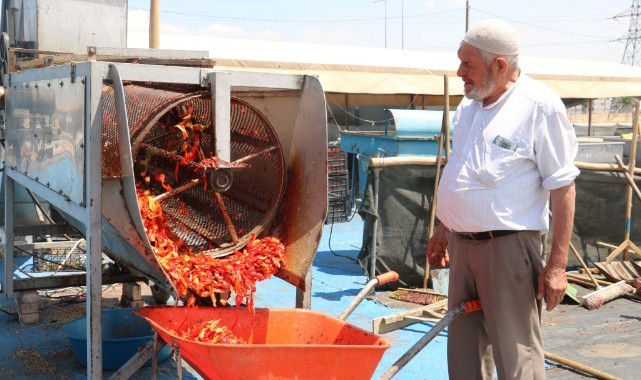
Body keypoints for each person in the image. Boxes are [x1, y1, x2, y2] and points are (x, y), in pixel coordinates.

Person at [427, 19, 579, 380]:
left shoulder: (539, 107)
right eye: (460, 62)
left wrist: (557, 266)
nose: (460, 71)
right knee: (464, 354)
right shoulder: (469, 107)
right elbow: (461, 171)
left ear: (499, 65)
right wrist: (443, 229)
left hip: (509, 248)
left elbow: (563, 186)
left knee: (517, 355)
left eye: (468, 64)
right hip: (463, 248)